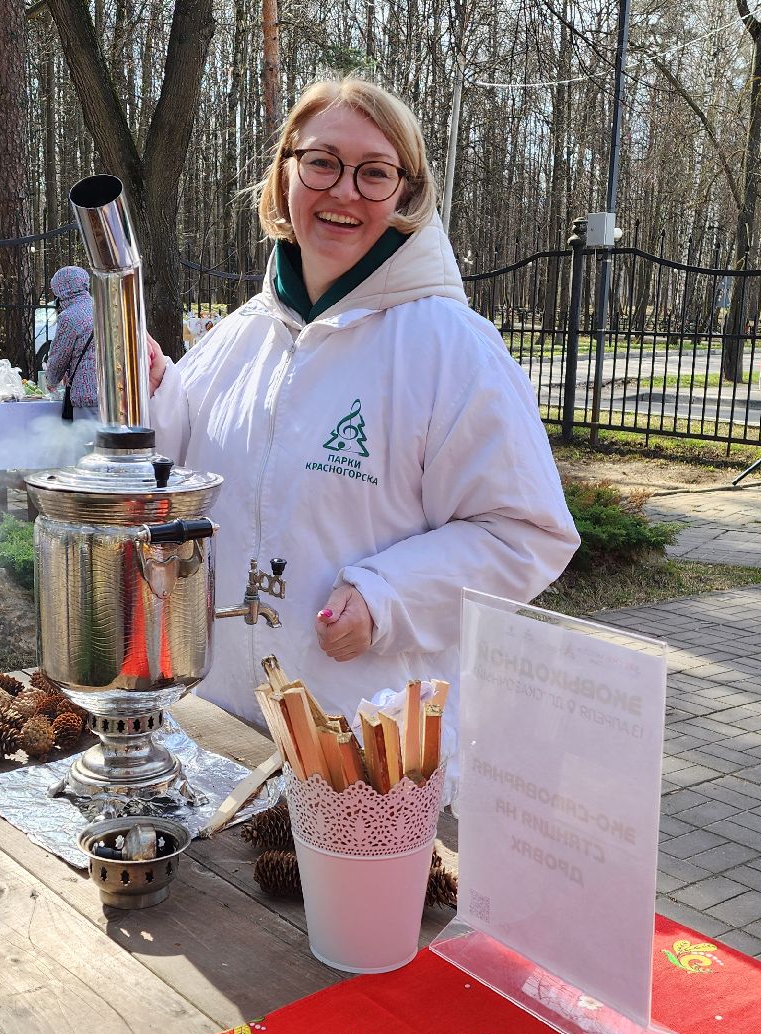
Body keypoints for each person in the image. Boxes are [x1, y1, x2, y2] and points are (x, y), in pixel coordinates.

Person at [146, 77, 579, 736]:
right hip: (226, 724)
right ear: (285, 172)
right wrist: (150, 392)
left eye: (374, 172)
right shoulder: (239, 337)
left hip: (372, 746)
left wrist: (387, 597)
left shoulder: (449, 347)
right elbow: (171, 482)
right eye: (321, 162)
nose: (343, 191)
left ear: (405, 193)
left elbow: (525, 534)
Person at [42, 265, 98, 416]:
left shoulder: (69, 316)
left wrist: (51, 381)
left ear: (60, 290)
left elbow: (59, 356)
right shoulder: (102, 308)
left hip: (87, 395)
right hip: (115, 394)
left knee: (88, 439)